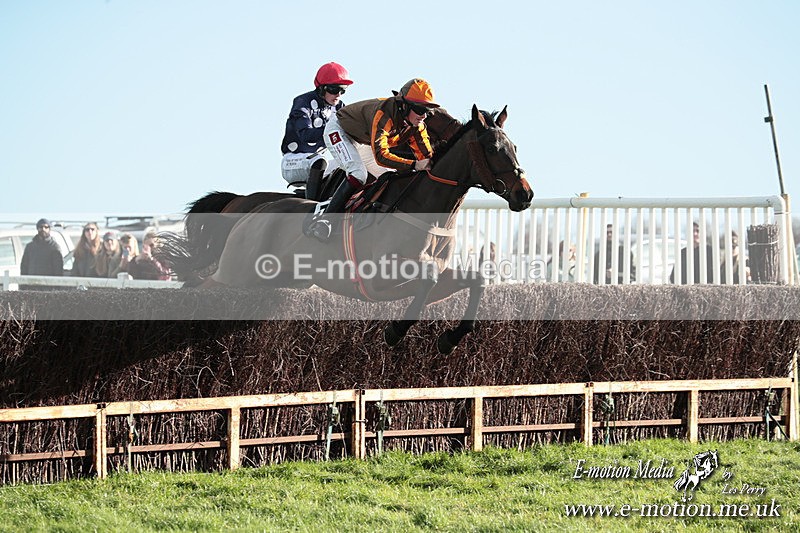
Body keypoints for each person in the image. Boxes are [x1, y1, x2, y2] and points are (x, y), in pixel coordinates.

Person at [308, 78, 440, 241]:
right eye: (420, 110)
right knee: (358, 174)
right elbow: (381, 156)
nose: (424, 116)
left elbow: (426, 157)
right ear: (404, 105)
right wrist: (413, 164)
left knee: (389, 178)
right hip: (339, 131)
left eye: (428, 111)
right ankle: (325, 221)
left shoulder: (417, 125)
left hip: (362, 141)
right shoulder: (384, 113)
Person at [281, 62, 353, 201]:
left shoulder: (339, 107)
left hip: (319, 161)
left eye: (343, 89)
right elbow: (306, 135)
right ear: (321, 89)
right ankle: (311, 205)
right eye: (334, 89)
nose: (338, 94)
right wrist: (334, 130)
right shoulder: (303, 102)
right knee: (319, 161)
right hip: (293, 162)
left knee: (351, 163)